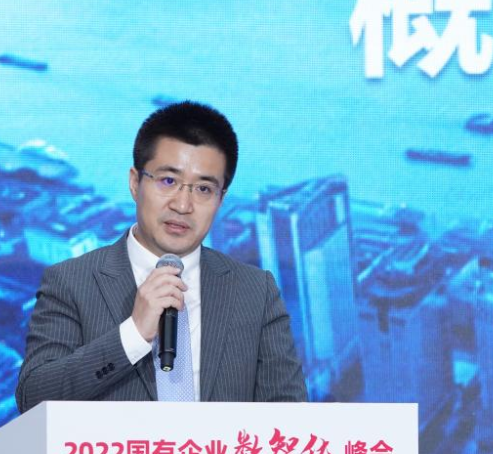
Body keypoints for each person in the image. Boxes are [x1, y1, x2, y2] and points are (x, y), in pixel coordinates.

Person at [15, 101, 307, 414]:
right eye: (168, 181)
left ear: (221, 200)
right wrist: (133, 335)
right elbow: (34, 399)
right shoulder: (71, 282)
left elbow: (290, 416)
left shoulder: (256, 291)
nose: (182, 205)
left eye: (204, 189)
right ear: (135, 183)